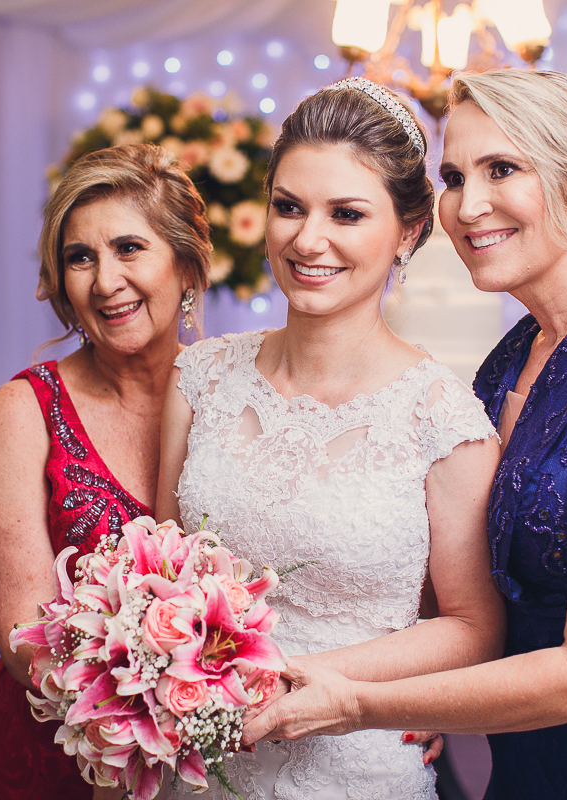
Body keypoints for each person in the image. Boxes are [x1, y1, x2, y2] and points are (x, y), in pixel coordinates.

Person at [244, 69, 567, 800]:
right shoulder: (523, 345)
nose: (468, 205)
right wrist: (429, 690)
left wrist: (364, 704)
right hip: (531, 755)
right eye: (455, 176)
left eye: (503, 169)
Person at [153, 77, 505, 800]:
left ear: (408, 231)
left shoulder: (443, 415)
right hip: (199, 760)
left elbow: (474, 627)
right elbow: (165, 568)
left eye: (346, 213)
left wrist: (326, 684)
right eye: (289, 207)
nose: (307, 239)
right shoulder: (201, 374)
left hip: (358, 766)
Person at [0, 143, 212, 800]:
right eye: (81, 257)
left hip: (222, 744)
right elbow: (22, 633)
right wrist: (144, 715)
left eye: (130, 248)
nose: (105, 281)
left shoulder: (233, 394)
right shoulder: (24, 409)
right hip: (63, 749)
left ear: (186, 265)